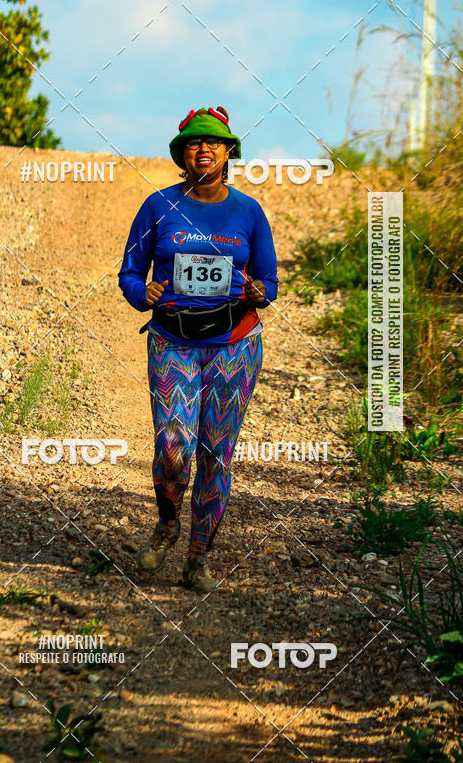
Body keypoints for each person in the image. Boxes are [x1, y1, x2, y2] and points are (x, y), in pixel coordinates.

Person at [118, 106, 278, 592]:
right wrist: (140, 292)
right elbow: (130, 272)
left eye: (214, 142)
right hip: (173, 342)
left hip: (234, 346)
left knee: (215, 453)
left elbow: (269, 281)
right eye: (193, 143)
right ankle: (167, 524)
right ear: (181, 155)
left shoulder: (249, 212)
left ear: (228, 153)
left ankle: (198, 558)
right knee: (173, 445)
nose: (204, 149)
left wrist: (260, 292)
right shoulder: (157, 206)